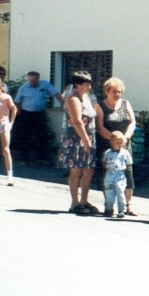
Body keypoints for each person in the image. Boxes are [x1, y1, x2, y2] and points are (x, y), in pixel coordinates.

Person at [95, 77, 138, 216]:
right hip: (108, 145)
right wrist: (115, 140)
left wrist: (125, 138)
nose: (117, 94)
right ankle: (109, 205)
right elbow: (100, 127)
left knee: (127, 173)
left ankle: (128, 204)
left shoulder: (125, 104)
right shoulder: (100, 106)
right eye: (114, 91)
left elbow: (132, 122)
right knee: (108, 175)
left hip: (125, 145)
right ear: (107, 91)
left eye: (119, 92)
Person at [58, 71, 98, 214]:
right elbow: (77, 121)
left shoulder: (86, 97)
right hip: (76, 139)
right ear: (77, 84)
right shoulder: (73, 99)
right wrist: (86, 140)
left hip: (88, 137)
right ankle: (74, 203)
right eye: (86, 84)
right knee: (76, 170)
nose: (89, 87)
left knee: (88, 170)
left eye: (89, 84)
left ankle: (84, 201)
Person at [13, 70, 64, 166]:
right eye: (30, 81)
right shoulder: (24, 87)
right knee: (25, 136)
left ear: (38, 79)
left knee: (42, 135)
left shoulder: (45, 84)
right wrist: (18, 112)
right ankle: (25, 159)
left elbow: (56, 93)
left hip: (39, 114)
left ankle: (43, 158)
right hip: (26, 114)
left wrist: (63, 103)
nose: (32, 83)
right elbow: (17, 101)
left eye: (34, 81)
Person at [101, 130, 133, 218]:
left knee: (120, 192)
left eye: (121, 143)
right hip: (109, 174)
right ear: (111, 142)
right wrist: (107, 166)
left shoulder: (125, 153)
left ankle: (121, 210)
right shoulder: (108, 153)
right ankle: (108, 208)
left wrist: (123, 168)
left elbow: (129, 163)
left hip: (120, 175)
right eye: (117, 143)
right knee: (109, 192)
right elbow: (104, 162)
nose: (119, 144)